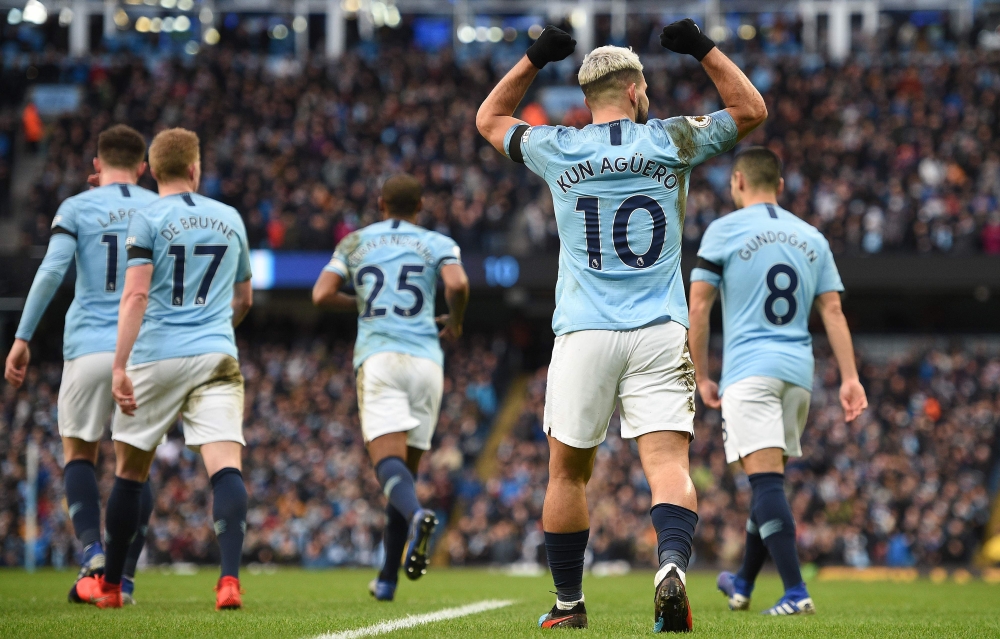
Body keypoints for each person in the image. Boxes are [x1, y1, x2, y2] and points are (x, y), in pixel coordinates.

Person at [476, 19, 766, 632]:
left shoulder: (559, 147)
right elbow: (749, 110)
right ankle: (671, 566)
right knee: (667, 467)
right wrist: (702, 49)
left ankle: (568, 603)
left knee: (567, 471)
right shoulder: (672, 139)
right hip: (661, 327)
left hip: (583, 332)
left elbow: (488, 120)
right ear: (635, 91)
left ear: (588, 98)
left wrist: (534, 58)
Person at [74, 128, 254, 610]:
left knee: (130, 473)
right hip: (217, 354)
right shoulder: (230, 218)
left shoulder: (147, 216)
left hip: (155, 355)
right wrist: (217, 327)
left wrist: (118, 366)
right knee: (225, 468)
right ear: (196, 168)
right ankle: (229, 581)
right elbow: (244, 298)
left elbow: (134, 295)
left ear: (152, 171)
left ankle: (111, 586)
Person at [687, 147, 868, 615]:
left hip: (749, 371)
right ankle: (743, 583)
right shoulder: (812, 237)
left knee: (766, 485)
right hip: (798, 374)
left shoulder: (723, 230)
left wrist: (702, 375)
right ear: (781, 186)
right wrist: (850, 378)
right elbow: (832, 311)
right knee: (766, 480)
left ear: (739, 181)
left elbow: (699, 308)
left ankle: (795, 591)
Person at [4, 124, 158, 605]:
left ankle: (92, 552)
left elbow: (52, 270)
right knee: (135, 469)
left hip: (89, 348)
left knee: (79, 455)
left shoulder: (76, 207)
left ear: (96, 164)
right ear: (144, 168)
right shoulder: (159, 208)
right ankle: (123, 578)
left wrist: (22, 338)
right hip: (142, 352)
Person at [312, 173, 469, 602]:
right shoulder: (437, 241)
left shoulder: (355, 242)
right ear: (419, 207)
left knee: (388, 469)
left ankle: (417, 516)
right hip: (426, 362)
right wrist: (454, 321)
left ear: (381, 204)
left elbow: (321, 294)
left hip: (380, 357)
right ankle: (386, 579)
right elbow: (456, 284)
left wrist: (360, 304)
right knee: (404, 476)